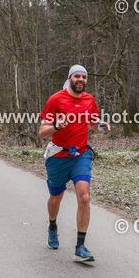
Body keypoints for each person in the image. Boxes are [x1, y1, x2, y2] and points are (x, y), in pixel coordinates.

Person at [38, 65, 110, 262]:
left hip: (81, 154)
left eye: (84, 77)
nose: (81, 79)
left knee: (84, 197)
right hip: (58, 157)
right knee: (56, 198)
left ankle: (80, 246)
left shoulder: (89, 100)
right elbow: (42, 131)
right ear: (70, 78)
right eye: (77, 76)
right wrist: (55, 126)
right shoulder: (56, 99)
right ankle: (52, 225)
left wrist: (102, 126)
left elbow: (93, 123)